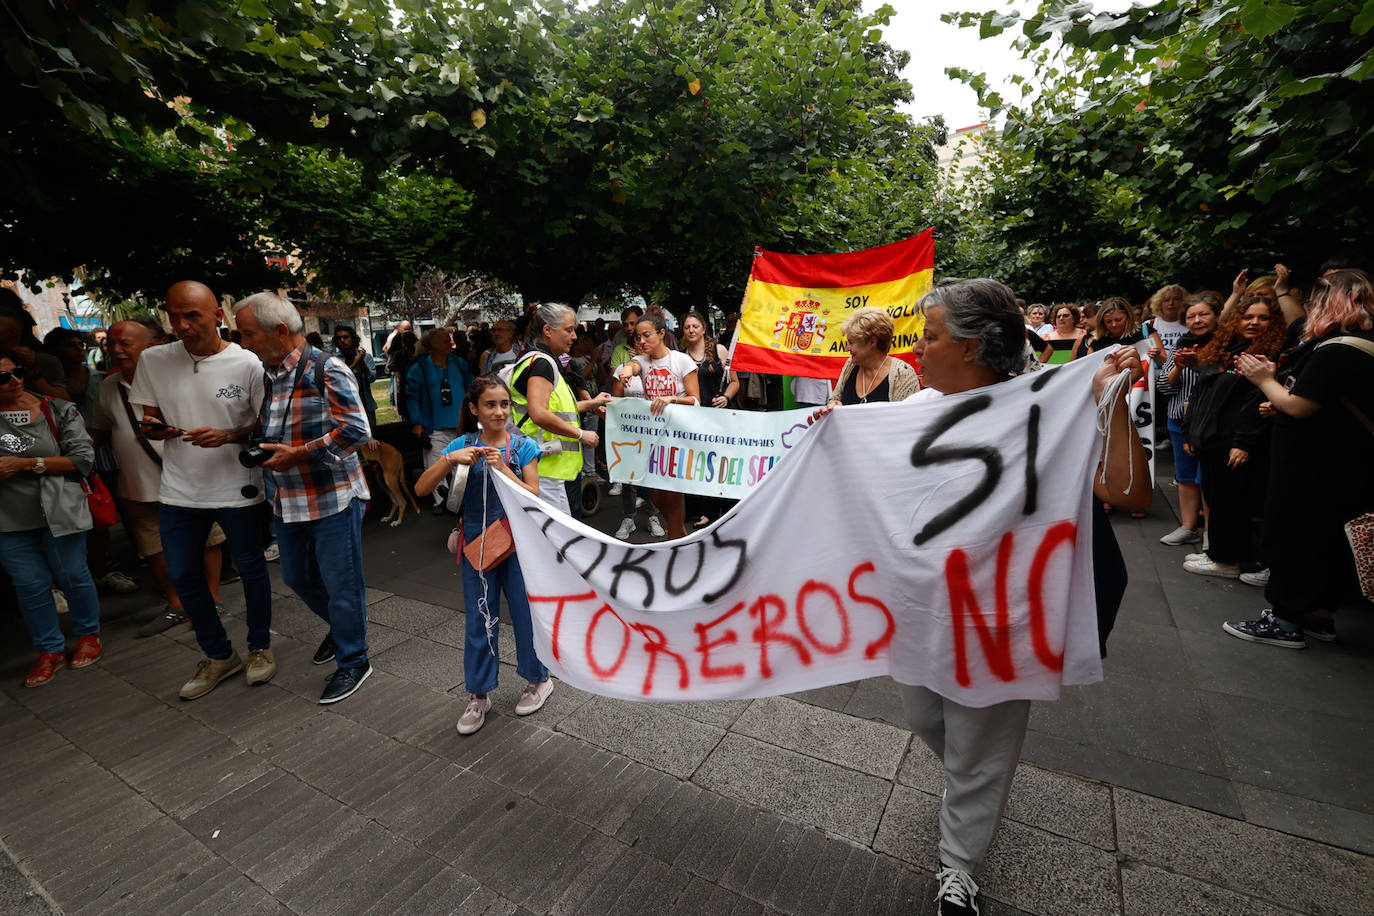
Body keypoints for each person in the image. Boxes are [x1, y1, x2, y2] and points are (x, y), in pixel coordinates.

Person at [904, 279, 1147, 916]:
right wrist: (828, 432)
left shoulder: (1054, 404)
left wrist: (1111, 403)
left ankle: (958, 866)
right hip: (928, 609)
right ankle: (975, 785)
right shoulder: (916, 409)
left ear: (973, 347)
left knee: (980, 743)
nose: (918, 349)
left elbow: (1129, 496)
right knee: (929, 722)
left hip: (1007, 614)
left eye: (930, 337)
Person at [129, 280, 274, 701]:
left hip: (238, 488)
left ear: (218, 315)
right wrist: (155, 427)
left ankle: (260, 648)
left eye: (192, 314)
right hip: (179, 490)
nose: (183, 324)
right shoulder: (154, 360)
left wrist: (229, 435)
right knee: (182, 576)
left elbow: (263, 424)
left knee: (251, 570)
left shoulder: (247, 363)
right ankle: (218, 655)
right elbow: (149, 416)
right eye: (174, 316)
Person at [234, 293, 375, 703]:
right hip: (287, 499)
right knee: (296, 576)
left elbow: (356, 432)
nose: (243, 342)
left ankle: (354, 660)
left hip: (332, 497)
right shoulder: (268, 373)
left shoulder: (325, 368)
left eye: (247, 334)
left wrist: (300, 453)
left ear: (279, 331)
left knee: (341, 583)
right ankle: (342, 626)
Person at [1225, 269, 1374, 646]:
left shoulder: (1337, 350)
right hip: (1348, 464)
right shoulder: (1364, 345)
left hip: (1311, 467)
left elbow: (1299, 405)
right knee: (1328, 540)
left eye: (1314, 304)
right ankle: (1319, 618)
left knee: (1295, 537)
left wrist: (1263, 379)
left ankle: (1285, 621)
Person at [414, 376, 553, 734]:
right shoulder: (462, 445)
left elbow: (535, 496)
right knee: (480, 619)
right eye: (490, 405)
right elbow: (421, 488)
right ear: (474, 409)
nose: (499, 412)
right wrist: (449, 459)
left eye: (504, 404)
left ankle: (539, 679)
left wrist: (503, 468)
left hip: (519, 547)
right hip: (477, 548)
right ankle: (479, 694)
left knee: (524, 615)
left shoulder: (522, 446)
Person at [88, 318, 229, 636]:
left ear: (151, 346)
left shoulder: (175, 379)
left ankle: (213, 598)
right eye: (111, 343)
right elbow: (97, 432)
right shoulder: (108, 387)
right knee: (151, 543)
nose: (116, 350)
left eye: (125, 343)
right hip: (138, 484)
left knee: (207, 536)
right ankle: (177, 603)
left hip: (188, 477)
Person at [0, 349, 103, 687]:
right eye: (3, 377)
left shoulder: (55, 409)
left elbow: (83, 459)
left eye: (16, 371)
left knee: (72, 573)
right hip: (7, 517)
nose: (14, 380)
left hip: (58, 506)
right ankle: (48, 650)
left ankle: (89, 634)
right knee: (29, 585)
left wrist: (26, 464)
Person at [1179, 294, 1285, 579]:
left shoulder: (1266, 356)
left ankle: (1228, 559)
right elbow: (1199, 392)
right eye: (1248, 316)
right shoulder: (1225, 348)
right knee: (1217, 498)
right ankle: (1219, 553)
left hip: (1234, 442)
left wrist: (1243, 443)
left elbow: (1255, 402)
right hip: (1211, 438)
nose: (1254, 323)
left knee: (1232, 502)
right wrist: (1190, 431)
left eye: (1263, 318)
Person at [509, 303, 612, 516]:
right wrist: (581, 434)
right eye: (569, 330)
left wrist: (591, 404)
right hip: (544, 469)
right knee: (554, 541)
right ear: (548, 330)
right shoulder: (542, 363)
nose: (574, 336)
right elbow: (538, 413)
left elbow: (555, 409)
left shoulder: (541, 360)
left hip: (548, 467)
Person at [613, 312, 699, 538]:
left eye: (647, 335)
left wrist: (672, 399)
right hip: (652, 439)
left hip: (679, 437)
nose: (641, 342)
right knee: (659, 496)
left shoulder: (682, 361)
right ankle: (678, 533)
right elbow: (633, 366)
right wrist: (625, 371)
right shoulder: (642, 360)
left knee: (673, 494)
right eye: (638, 337)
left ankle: (675, 541)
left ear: (661, 333)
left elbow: (696, 400)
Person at [1155, 293, 1222, 547]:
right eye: (1191, 316)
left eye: (1203, 314)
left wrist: (1201, 363)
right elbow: (1164, 386)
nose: (1197, 320)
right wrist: (1179, 367)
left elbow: (1225, 380)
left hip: (1210, 423)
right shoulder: (1179, 344)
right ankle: (1188, 526)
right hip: (1179, 420)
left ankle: (1211, 536)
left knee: (1207, 479)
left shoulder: (1225, 344)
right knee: (1185, 477)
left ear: (1217, 316)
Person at [681, 311, 739, 528]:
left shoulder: (719, 350)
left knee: (724, 463)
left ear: (704, 328)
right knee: (704, 466)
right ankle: (708, 511)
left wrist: (726, 397)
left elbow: (735, 382)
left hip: (722, 417)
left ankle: (730, 509)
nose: (691, 330)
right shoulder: (681, 356)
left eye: (695, 326)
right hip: (697, 419)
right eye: (687, 327)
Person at [407, 327, 474, 513]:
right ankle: (440, 502)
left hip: (461, 425)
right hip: (434, 427)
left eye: (449, 338)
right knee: (436, 465)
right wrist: (417, 422)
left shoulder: (459, 363)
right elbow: (412, 397)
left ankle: (459, 501)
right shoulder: (419, 368)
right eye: (444, 339)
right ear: (430, 344)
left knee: (462, 467)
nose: (449, 342)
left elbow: (472, 388)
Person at [608, 334, 668, 540]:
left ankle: (653, 516)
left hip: (654, 430)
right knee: (628, 477)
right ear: (633, 347)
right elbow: (616, 402)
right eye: (638, 342)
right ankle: (628, 519)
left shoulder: (658, 370)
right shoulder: (622, 371)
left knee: (651, 475)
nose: (642, 346)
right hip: (628, 432)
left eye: (646, 342)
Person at [826, 306, 920, 406]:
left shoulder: (902, 374)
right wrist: (834, 405)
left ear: (872, 341)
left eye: (851, 343)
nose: (847, 348)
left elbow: (907, 417)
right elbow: (835, 399)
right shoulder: (850, 365)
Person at [0, 306, 70, 400]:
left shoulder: (45, 362)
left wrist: (32, 370)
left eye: (12, 336)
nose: (7, 345)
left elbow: (63, 399)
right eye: (3, 338)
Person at [331, 326, 378, 432]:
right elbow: (340, 380)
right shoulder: (334, 360)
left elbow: (372, 378)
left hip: (366, 406)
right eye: (339, 338)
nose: (342, 340)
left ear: (353, 338)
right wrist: (354, 364)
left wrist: (361, 362)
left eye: (345, 337)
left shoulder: (366, 357)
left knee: (372, 440)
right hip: (346, 410)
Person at [1088, 297, 1156, 353]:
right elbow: (1090, 366)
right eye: (1108, 321)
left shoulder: (1144, 331)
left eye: (1118, 320)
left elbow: (1164, 362)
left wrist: (1157, 356)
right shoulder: (1097, 342)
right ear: (1102, 322)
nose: (1114, 324)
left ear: (1128, 317)